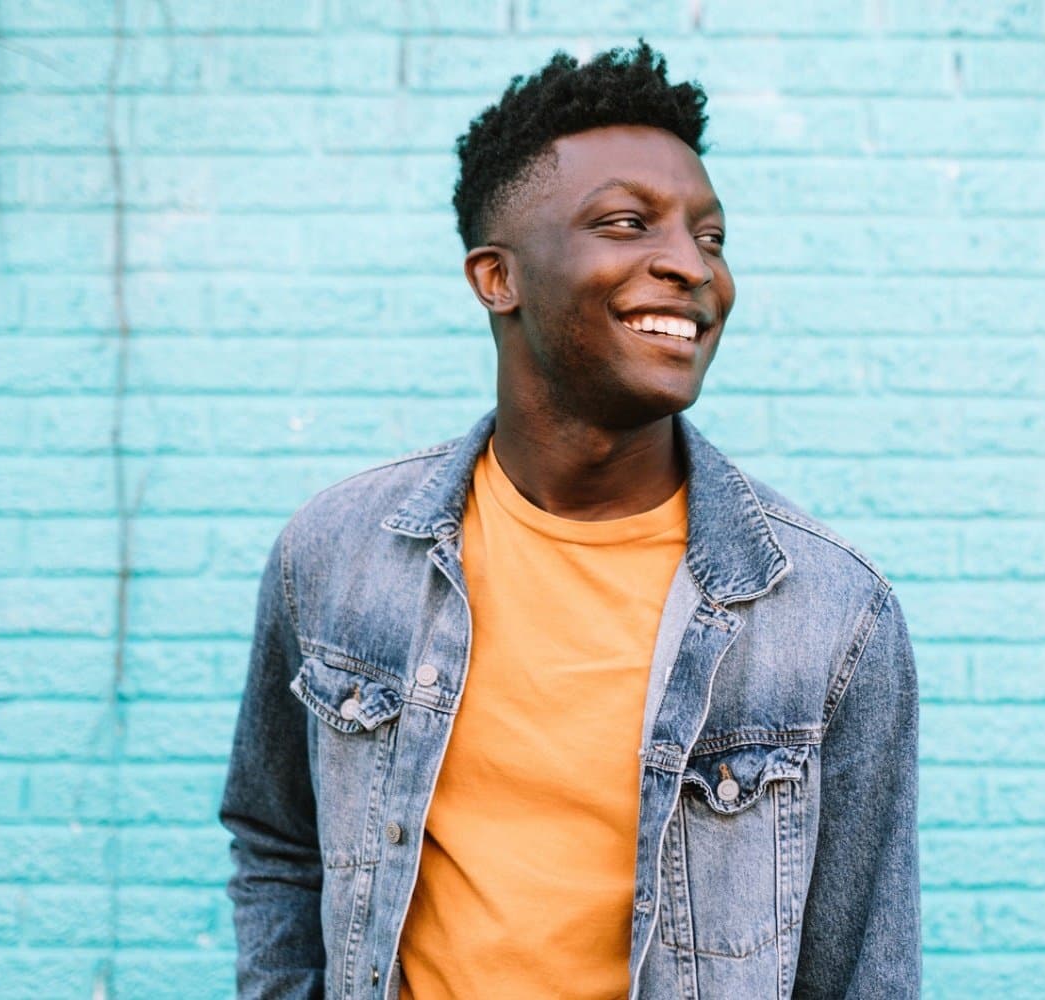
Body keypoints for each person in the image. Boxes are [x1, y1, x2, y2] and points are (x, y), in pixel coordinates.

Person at [218, 41, 920, 1000]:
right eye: (629, 223)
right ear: (496, 277)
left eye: (709, 238)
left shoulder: (831, 614)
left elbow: (861, 967)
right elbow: (278, 841)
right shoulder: (337, 555)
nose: (690, 267)